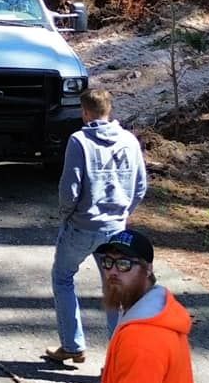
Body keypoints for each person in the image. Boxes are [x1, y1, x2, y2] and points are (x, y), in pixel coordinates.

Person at [51, 230, 198, 383]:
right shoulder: (150, 313)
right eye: (108, 262)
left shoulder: (142, 339)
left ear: (148, 269)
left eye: (124, 264)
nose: (112, 271)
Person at [43, 88, 147, 366]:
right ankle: (116, 361)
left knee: (63, 277)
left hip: (81, 226)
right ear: (109, 110)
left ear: (85, 112)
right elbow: (140, 186)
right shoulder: (129, 141)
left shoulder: (79, 140)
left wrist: (67, 215)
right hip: (116, 228)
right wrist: (124, 213)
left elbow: (70, 188)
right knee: (115, 289)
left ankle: (72, 344)